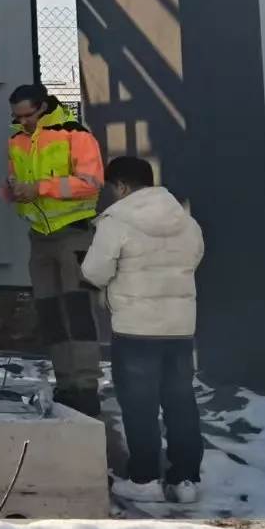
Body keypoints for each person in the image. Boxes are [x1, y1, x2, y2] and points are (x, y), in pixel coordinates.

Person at [81, 156, 206, 504]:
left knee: (140, 406)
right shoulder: (186, 220)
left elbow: (94, 272)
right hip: (180, 327)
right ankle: (185, 481)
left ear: (121, 186)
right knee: (181, 402)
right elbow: (195, 257)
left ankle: (145, 479)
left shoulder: (116, 221)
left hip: (135, 328)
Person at [2, 82, 106, 417]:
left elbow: (91, 183)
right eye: (17, 116)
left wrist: (39, 188)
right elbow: (17, 183)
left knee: (77, 313)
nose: (22, 122)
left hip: (74, 234)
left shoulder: (75, 134)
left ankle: (86, 387)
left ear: (43, 107)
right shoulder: (17, 139)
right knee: (51, 315)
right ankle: (66, 384)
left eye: (27, 115)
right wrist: (13, 191)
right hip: (39, 236)